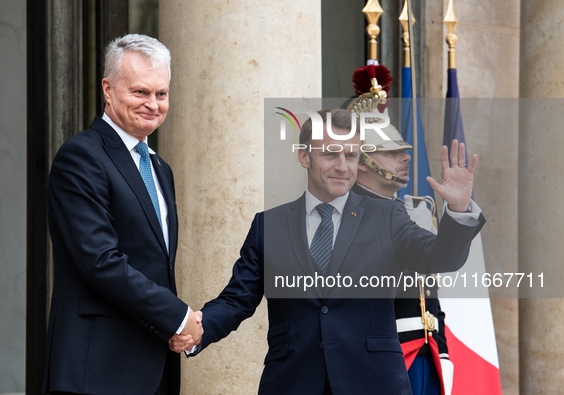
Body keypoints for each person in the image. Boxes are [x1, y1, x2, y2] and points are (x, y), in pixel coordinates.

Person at [173, 107, 484, 394]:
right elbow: (236, 300)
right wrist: (198, 328)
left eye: (350, 156)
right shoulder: (269, 225)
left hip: (373, 382)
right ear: (305, 157)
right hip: (292, 382)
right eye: (330, 154)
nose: (341, 166)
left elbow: (440, 257)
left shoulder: (387, 216)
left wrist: (457, 211)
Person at [42, 34, 202, 395]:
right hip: (97, 370)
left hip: (152, 368)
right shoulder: (81, 156)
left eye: (161, 94)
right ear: (108, 89)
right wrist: (179, 316)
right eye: (140, 92)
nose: (153, 104)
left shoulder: (160, 169)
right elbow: (100, 260)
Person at [351, 111, 453, 395]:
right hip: (381, 358)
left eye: (404, 151)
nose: (406, 157)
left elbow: (431, 290)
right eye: (392, 152)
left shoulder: (417, 209)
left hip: (427, 351)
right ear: (361, 162)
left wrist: (440, 349)